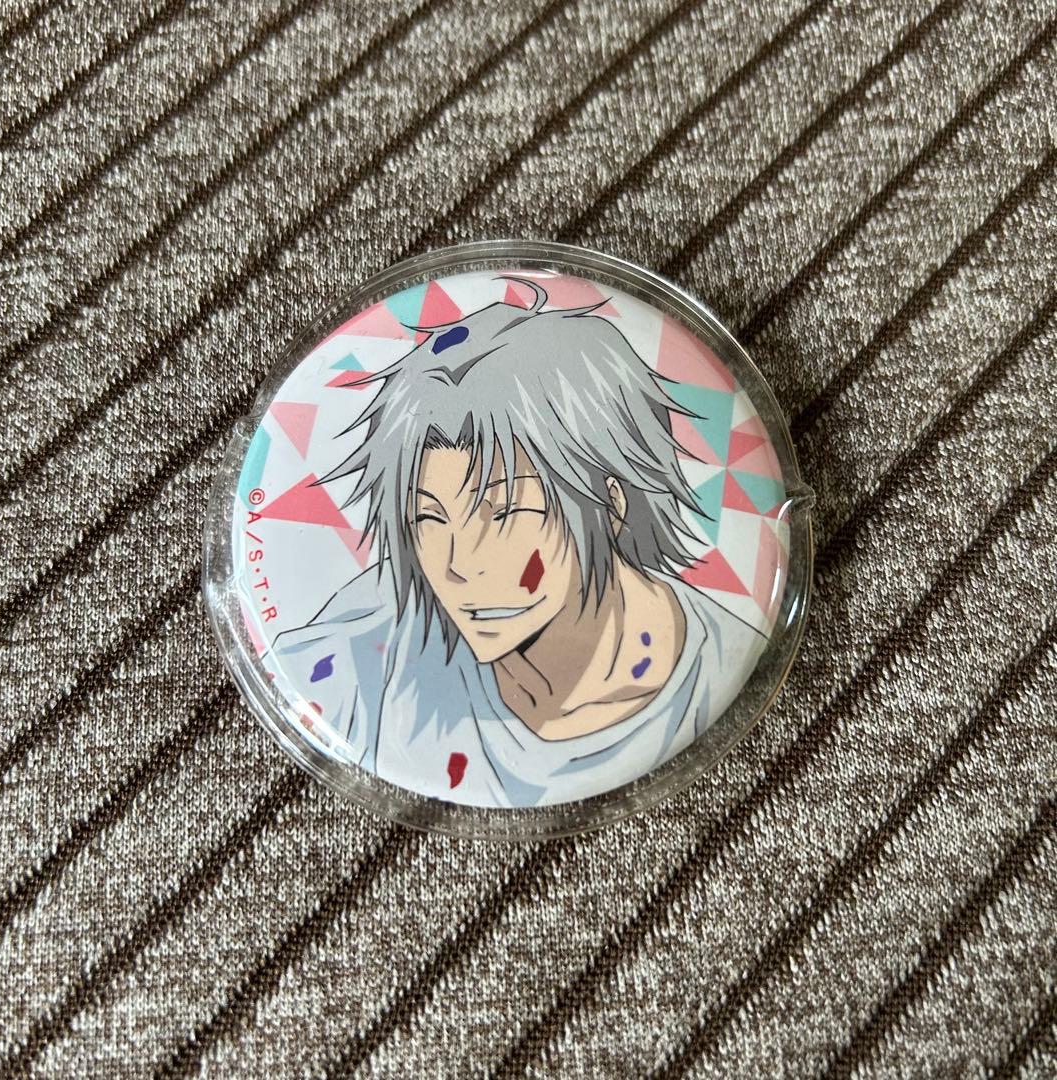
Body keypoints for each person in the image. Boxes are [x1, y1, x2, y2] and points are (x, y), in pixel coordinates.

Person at [270, 278, 765, 807]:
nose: (458, 565)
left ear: (612, 502)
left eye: (505, 509)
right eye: (429, 517)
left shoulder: (724, 666)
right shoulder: (366, 650)